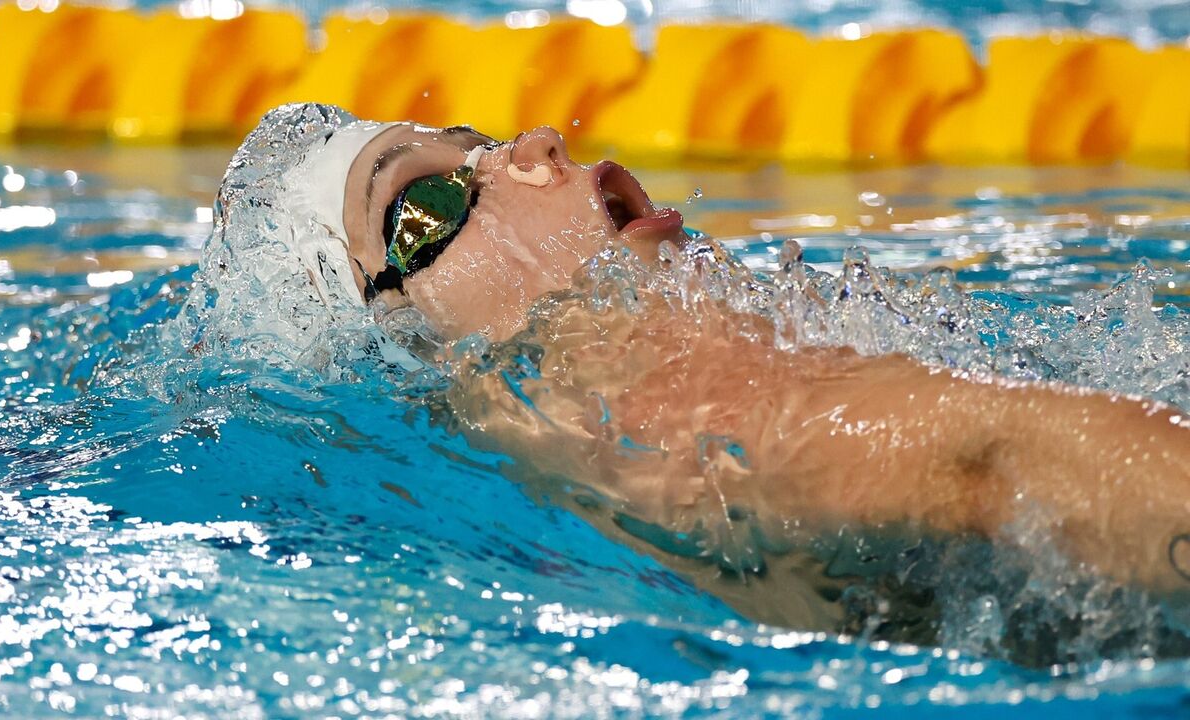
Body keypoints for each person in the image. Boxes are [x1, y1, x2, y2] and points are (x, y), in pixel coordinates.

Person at [199, 103, 1190, 637]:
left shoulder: (586, 511)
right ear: (403, 346)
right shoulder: (680, 415)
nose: (533, 146)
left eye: (483, 145)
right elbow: (998, 459)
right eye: (422, 207)